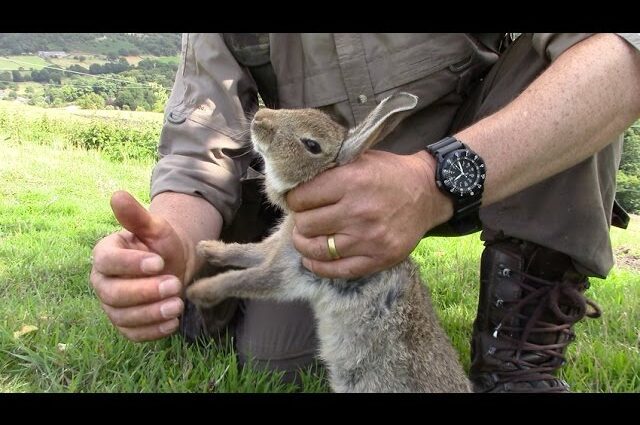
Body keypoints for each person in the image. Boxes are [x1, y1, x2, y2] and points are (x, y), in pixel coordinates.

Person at [89, 33, 640, 392]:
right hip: (324, 199)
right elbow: (199, 144)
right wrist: (178, 245)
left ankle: (517, 354)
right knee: (274, 359)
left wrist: (432, 179)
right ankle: (205, 308)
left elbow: (623, 56)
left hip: (478, 157)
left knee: (580, 64)